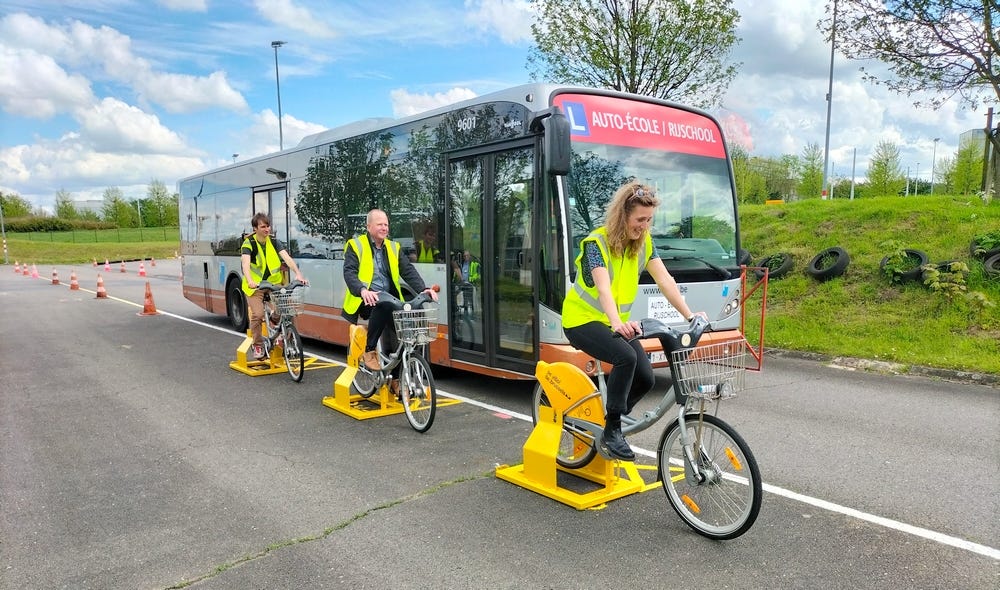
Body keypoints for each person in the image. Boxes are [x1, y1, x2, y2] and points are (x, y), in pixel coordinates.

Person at [561, 182, 703, 461]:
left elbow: (665, 280)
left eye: (649, 220)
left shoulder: (644, 244)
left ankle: (608, 421)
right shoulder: (596, 244)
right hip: (581, 320)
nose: (645, 226)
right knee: (626, 357)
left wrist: (690, 315)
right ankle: (614, 431)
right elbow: (603, 288)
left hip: (613, 323)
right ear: (622, 216)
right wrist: (616, 323)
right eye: (640, 220)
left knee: (646, 378)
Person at [342, 209, 439, 390]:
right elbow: (349, 272)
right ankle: (369, 350)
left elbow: (407, 270)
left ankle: (395, 378)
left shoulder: (393, 247)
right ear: (369, 226)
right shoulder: (356, 245)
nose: (384, 227)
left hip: (391, 299)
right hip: (366, 300)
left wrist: (424, 289)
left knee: (407, 335)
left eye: (386, 224)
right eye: (380, 224)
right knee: (383, 306)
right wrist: (363, 290)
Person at [241, 213, 308, 360]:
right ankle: (258, 345)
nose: (267, 229)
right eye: (263, 226)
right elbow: (245, 265)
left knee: (287, 308)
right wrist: (250, 280)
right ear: (255, 228)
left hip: (273, 285)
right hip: (255, 287)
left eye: (268, 226)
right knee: (257, 315)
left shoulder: (274, 242)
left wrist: (298, 274)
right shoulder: (249, 244)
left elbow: (287, 259)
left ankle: (281, 335)